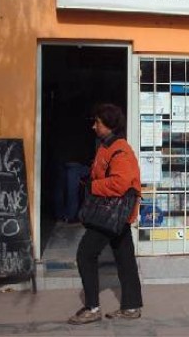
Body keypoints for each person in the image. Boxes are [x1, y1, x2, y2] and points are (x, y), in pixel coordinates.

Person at [68, 103, 143, 325]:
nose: (94, 126)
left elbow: (120, 184)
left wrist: (93, 187)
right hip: (116, 215)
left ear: (108, 125)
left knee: (85, 254)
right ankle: (131, 307)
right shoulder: (106, 146)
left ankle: (92, 307)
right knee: (125, 258)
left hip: (110, 214)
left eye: (97, 123)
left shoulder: (121, 150)